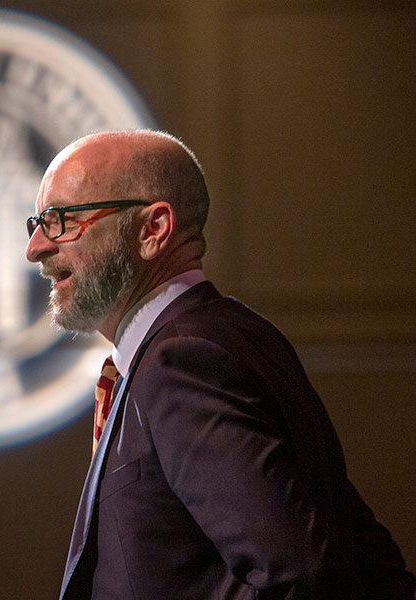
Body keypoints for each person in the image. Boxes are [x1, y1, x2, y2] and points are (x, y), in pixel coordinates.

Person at [25, 130, 415, 599]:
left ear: (153, 230)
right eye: (38, 222)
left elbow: (298, 577)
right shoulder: (218, 339)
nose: (37, 248)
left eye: (61, 220)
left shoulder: (183, 361)